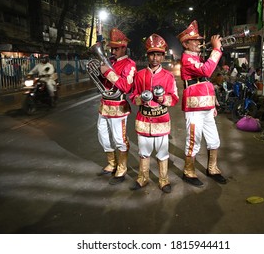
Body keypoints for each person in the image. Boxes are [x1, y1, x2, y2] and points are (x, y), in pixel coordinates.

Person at [177, 20, 227, 187]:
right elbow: (206, 71)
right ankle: (188, 171)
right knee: (194, 140)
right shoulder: (187, 59)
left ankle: (212, 168)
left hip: (206, 106)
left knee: (214, 139)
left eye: (199, 40)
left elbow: (205, 81)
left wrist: (213, 102)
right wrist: (217, 49)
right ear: (186, 43)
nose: (199, 42)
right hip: (194, 107)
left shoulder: (196, 58)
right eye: (195, 40)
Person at [129, 33, 179, 193]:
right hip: (143, 119)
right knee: (143, 152)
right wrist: (140, 100)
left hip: (161, 120)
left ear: (163, 56)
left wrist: (163, 99)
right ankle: (142, 178)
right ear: (148, 55)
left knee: (163, 152)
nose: (155, 58)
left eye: (158, 54)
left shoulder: (168, 76)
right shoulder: (139, 75)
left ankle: (163, 180)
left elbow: (175, 98)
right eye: (152, 54)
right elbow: (132, 95)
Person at [96, 28, 136, 185]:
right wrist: (99, 72)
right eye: (112, 48)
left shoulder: (130, 64)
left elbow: (126, 86)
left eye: (116, 48)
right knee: (103, 136)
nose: (113, 51)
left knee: (119, 138)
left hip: (119, 105)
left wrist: (107, 73)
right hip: (104, 104)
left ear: (124, 47)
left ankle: (122, 167)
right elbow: (103, 82)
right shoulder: (110, 62)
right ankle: (112, 163)